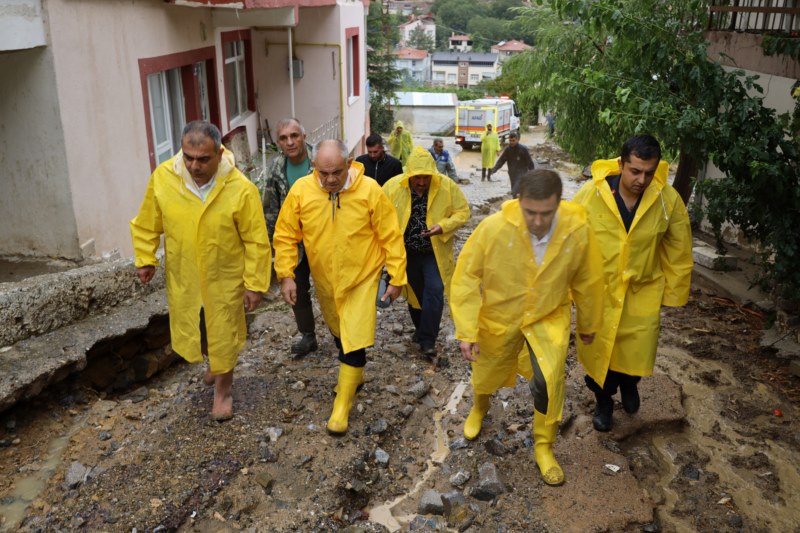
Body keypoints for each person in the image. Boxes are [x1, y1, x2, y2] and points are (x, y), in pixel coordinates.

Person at [450, 169, 603, 486]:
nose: (536, 221)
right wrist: (466, 330)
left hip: (548, 314)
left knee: (548, 380)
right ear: (518, 201)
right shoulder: (494, 228)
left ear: (558, 204)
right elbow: (466, 277)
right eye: (529, 212)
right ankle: (479, 409)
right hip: (501, 313)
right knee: (486, 368)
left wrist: (589, 322)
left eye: (545, 213)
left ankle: (544, 446)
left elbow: (588, 281)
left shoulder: (577, 231)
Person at [131, 121, 270, 421]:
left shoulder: (240, 189)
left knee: (223, 331)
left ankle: (223, 392)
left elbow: (257, 241)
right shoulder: (164, 179)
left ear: (219, 154)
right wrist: (146, 258)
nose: (194, 165)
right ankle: (213, 362)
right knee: (198, 327)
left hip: (225, 277)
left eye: (203, 159)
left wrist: (255, 284)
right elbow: (146, 222)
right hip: (186, 274)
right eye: (188, 157)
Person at [273, 140, 407, 435]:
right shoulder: (301, 192)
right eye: (324, 173)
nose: (331, 180)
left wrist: (397, 276)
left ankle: (342, 406)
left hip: (362, 275)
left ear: (349, 163)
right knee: (338, 330)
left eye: (337, 172)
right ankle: (354, 376)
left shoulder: (370, 190)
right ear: (314, 168)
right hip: (326, 279)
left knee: (354, 336)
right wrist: (286, 274)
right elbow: (284, 235)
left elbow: (391, 235)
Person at [573, 134, 693, 432]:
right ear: (621, 164)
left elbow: (679, 248)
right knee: (600, 355)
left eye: (649, 173)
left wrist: (674, 293)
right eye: (635, 171)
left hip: (643, 291)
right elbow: (569, 242)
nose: (642, 179)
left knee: (636, 351)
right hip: (600, 292)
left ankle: (630, 383)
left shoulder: (667, 199)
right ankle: (603, 402)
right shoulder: (591, 195)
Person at [383, 146, 470, 356]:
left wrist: (443, 226)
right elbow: (379, 216)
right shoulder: (393, 187)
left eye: (426, 178)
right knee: (414, 294)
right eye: (417, 178)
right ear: (409, 175)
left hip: (434, 252)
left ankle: (427, 339)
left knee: (434, 290)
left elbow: (463, 212)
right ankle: (422, 330)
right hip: (405, 253)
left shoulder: (446, 186)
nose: (421, 182)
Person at [259, 118, 319, 357]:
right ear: (278, 143)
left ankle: (343, 335)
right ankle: (308, 335)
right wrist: (273, 247)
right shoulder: (275, 169)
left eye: (294, 135)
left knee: (334, 288)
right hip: (295, 243)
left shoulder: (321, 159)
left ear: (304, 135)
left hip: (323, 238)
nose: (290, 142)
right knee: (298, 290)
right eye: (283, 138)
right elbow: (270, 208)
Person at [488, 131, 535, 196]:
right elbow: (501, 161)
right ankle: (516, 204)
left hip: (522, 173)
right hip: (512, 174)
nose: (511, 142)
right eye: (510, 141)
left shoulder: (523, 149)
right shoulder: (508, 150)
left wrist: (533, 174)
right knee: (515, 192)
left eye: (513, 141)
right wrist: (494, 169)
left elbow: (529, 162)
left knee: (515, 191)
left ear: (517, 140)